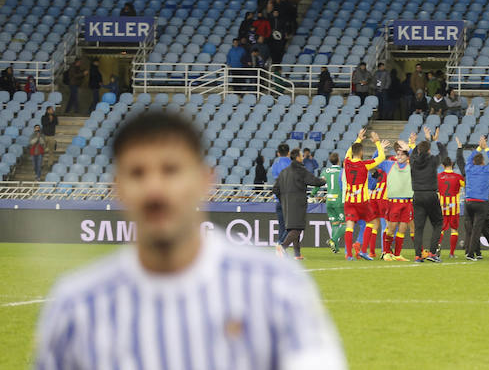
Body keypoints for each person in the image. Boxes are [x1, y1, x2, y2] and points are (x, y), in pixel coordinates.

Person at [33, 112, 346, 369]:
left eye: (171, 171)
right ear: (118, 187)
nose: (155, 189)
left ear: (205, 180)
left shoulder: (275, 286)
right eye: (138, 173)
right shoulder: (77, 306)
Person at [457, 137, 489, 259]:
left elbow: (467, 160)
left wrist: (479, 148)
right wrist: (487, 148)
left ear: (474, 162)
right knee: (477, 229)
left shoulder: (468, 169)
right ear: (483, 162)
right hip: (481, 203)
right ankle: (471, 253)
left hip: (468, 202)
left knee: (470, 228)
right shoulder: (486, 170)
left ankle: (473, 252)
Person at [273, 148, 326, 260]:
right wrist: (323, 180)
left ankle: (297, 254)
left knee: (294, 227)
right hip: (298, 204)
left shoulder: (284, 171)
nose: (302, 157)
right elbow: (314, 181)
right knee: (297, 228)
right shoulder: (301, 170)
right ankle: (282, 247)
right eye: (301, 156)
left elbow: (275, 189)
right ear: (297, 157)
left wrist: (283, 200)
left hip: (286, 204)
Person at [342, 129, 386, 261]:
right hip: (362, 201)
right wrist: (377, 142)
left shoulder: (346, 163)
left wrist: (358, 138)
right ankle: (363, 251)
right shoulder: (365, 165)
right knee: (371, 223)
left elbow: (348, 152)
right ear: (361, 153)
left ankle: (349, 255)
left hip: (349, 200)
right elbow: (381, 158)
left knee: (349, 226)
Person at [406, 126, 447, 262]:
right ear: (429, 150)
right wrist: (435, 140)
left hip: (417, 195)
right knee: (437, 223)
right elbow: (444, 153)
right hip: (430, 194)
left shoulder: (413, 161)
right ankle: (432, 253)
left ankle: (418, 255)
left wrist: (420, 141)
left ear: (418, 150)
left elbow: (413, 153)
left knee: (418, 227)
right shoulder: (433, 160)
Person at [377, 142, 413, 261]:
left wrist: (410, 149)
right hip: (393, 202)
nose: (399, 157)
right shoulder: (389, 165)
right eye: (398, 154)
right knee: (391, 228)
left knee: (403, 229)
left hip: (407, 202)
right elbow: (375, 161)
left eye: (402, 155)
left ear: (407, 156)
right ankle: (387, 252)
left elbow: (418, 160)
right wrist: (379, 149)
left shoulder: (411, 166)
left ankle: (397, 254)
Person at [435, 156, 465, 258]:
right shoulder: (458, 177)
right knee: (454, 230)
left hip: (442, 207)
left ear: (442, 165)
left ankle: (436, 250)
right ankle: (451, 253)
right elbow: (466, 185)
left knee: (441, 229)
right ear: (452, 164)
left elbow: (435, 189)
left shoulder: (438, 176)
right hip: (454, 207)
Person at [319, 153, 345, 253]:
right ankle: (333, 240)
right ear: (339, 159)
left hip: (329, 201)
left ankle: (335, 248)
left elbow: (319, 183)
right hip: (339, 201)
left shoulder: (326, 171)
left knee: (335, 224)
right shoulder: (342, 171)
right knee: (345, 224)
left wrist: (312, 194)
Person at [270, 143, 292, 254]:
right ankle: (280, 244)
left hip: (278, 199)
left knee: (282, 226)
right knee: (291, 226)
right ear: (289, 153)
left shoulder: (274, 165)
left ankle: (280, 249)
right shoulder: (291, 163)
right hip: (289, 199)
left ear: (278, 153)